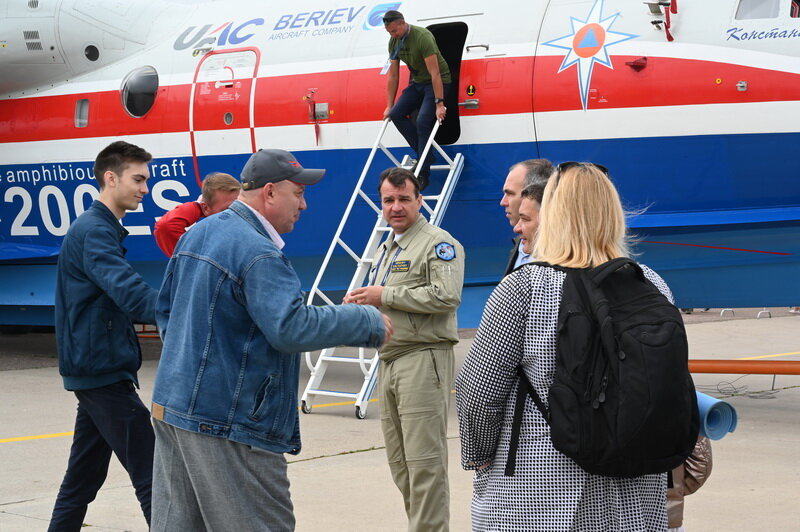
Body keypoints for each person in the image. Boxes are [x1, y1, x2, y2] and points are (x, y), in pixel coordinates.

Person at [150, 148, 392, 531]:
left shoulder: (199, 233)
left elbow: (166, 312)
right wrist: (364, 320)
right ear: (269, 193)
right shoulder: (257, 251)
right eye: (298, 193)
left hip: (173, 407)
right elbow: (290, 326)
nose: (305, 204)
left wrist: (198, 364)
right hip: (228, 423)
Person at [455, 162, 675, 530]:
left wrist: (478, 459)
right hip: (636, 492)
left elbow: (477, 391)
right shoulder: (653, 284)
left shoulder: (524, 288)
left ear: (554, 213)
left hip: (539, 491)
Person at [344, 167, 464, 532]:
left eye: (403, 199)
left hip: (422, 358)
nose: (396, 207)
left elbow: (446, 296)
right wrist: (365, 306)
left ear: (419, 201)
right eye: (388, 200)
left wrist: (385, 294)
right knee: (401, 464)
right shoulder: (388, 248)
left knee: (424, 463)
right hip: (390, 360)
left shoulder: (439, 243)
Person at [49, 141, 158, 531]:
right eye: (138, 179)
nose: (145, 188)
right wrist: (181, 313)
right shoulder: (95, 231)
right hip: (103, 371)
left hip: (97, 368)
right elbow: (127, 289)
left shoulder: (100, 228)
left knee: (81, 481)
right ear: (110, 178)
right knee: (155, 478)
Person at [382, 10, 451, 191]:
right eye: (390, 33)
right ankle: (425, 155)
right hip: (418, 83)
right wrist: (389, 105)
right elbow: (393, 75)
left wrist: (439, 103)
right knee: (396, 114)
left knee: (422, 122)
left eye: (395, 31)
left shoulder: (422, 37)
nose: (393, 35)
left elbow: (435, 73)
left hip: (437, 81)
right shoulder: (394, 42)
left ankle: (423, 173)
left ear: (403, 23)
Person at [153, 171, 241, 256]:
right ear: (206, 208)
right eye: (227, 210)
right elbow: (166, 226)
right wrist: (197, 207)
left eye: (240, 206)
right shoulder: (205, 252)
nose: (237, 214)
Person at [500, 159, 553, 275]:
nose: (503, 202)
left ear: (532, 193)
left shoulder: (558, 261)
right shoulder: (519, 245)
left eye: (510, 193)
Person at [668, 437, 713, 531]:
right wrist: (676, 490)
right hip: (668, 513)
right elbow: (699, 470)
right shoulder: (677, 423)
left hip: (630, 511)